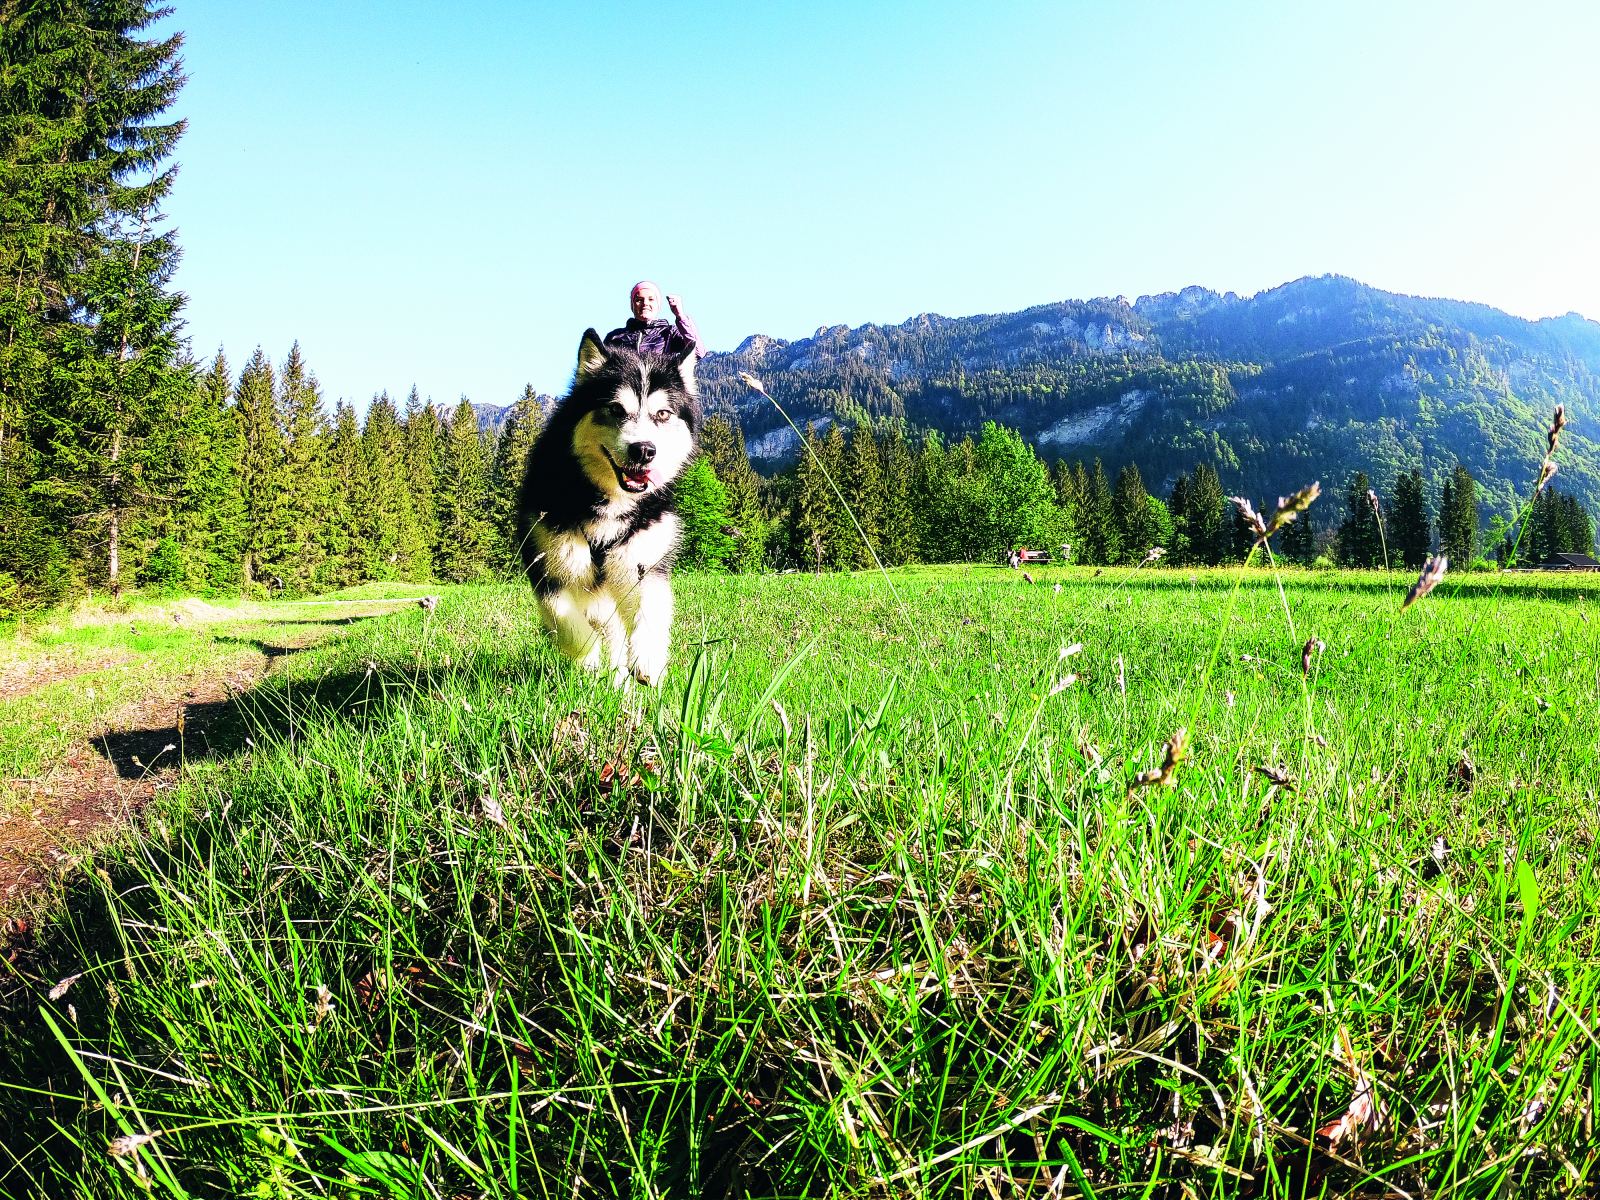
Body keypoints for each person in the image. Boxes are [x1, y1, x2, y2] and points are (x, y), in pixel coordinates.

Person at [603, 281, 702, 358]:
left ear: (658, 305)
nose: (645, 303)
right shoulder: (614, 337)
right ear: (632, 305)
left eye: (651, 299)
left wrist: (680, 316)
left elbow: (698, 353)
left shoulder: (670, 332)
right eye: (639, 300)